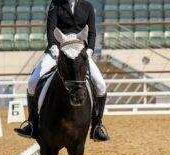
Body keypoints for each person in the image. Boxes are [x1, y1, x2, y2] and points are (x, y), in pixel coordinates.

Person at [14, 0, 110, 141]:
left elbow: (92, 32)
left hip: (79, 52)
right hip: (59, 50)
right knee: (32, 82)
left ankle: (96, 126)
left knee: (101, 85)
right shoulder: (56, 4)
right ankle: (32, 123)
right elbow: (51, 28)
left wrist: (89, 49)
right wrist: (53, 46)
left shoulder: (87, 6)